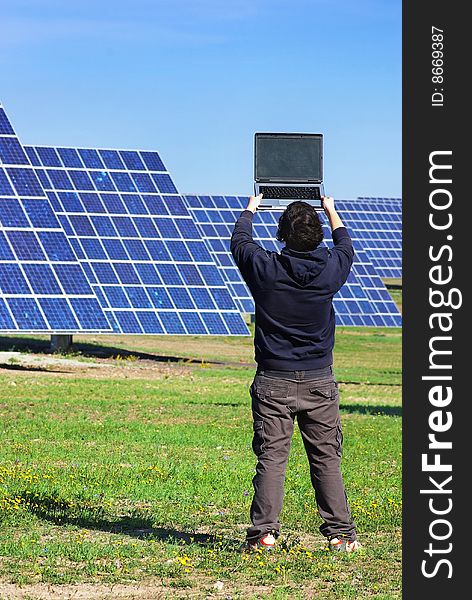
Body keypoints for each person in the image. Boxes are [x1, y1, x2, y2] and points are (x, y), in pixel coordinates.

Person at [230, 194, 360, 553]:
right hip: (319, 379)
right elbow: (345, 243)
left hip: (273, 380)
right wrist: (330, 208)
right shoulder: (332, 269)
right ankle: (340, 535)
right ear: (318, 234)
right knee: (326, 458)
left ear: (281, 235)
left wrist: (251, 207)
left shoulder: (265, 269)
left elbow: (240, 241)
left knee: (272, 458)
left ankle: (263, 536)